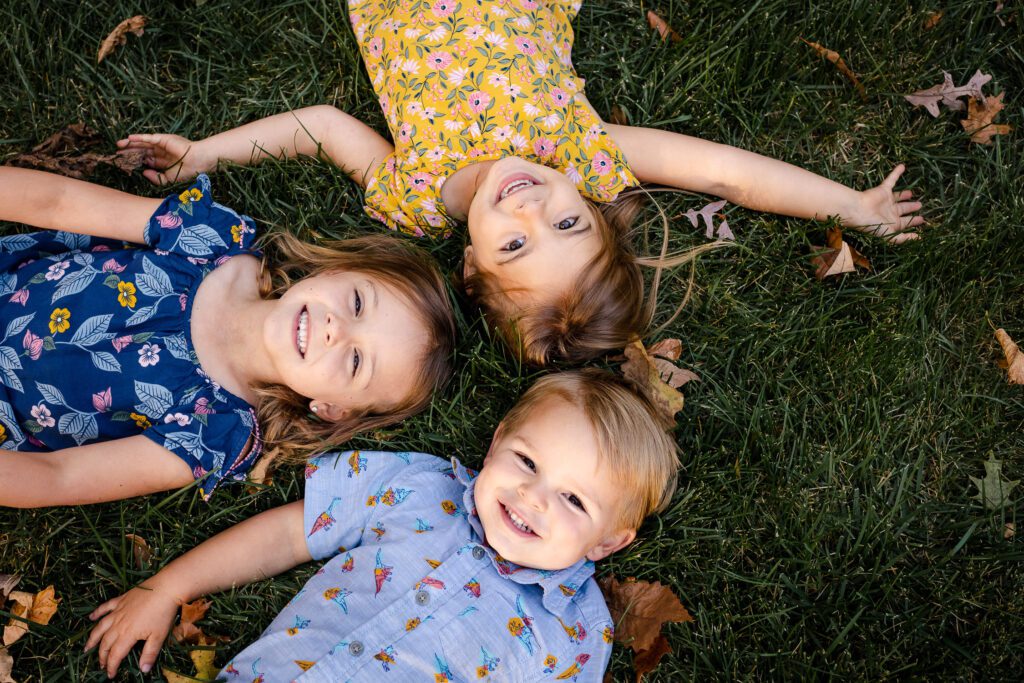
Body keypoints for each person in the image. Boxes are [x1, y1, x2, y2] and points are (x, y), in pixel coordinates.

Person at [117, 0, 925, 365]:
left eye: (514, 243)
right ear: (598, 207)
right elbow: (725, 170)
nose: (532, 205)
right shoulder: (579, 149)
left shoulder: (415, 194)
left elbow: (325, 125)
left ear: (470, 266)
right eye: (569, 224)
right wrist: (851, 205)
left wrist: (201, 155)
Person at [85, 369, 678, 680]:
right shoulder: (419, 489)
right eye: (526, 461)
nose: (533, 497)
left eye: (573, 500)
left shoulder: (575, 634)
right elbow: (289, 533)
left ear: (607, 542)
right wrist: (169, 587)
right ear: (497, 441)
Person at [0, 167, 456, 508]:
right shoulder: (212, 241)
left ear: (332, 409)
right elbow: (58, 201)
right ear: (339, 271)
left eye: (357, 361)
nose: (338, 330)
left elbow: (58, 478)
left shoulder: (217, 428)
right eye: (357, 303)